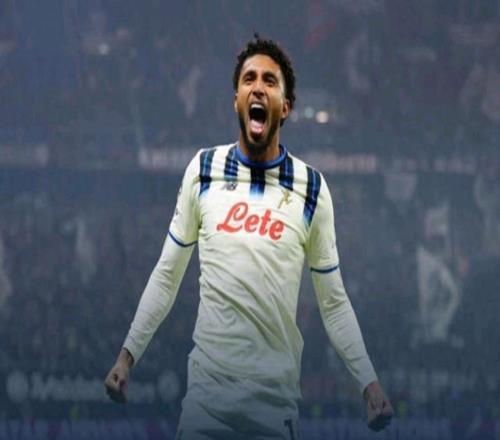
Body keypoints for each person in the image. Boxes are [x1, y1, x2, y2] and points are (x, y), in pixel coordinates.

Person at [104, 35, 393, 439]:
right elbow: (167, 274)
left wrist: (369, 382)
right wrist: (126, 356)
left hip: (273, 411)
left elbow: (333, 301)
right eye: (249, 79)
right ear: (236, 101)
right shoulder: (204, 170)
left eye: (270, 81)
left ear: (285, 107)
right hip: (206, 407)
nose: (258, 87)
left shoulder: (311, 188)